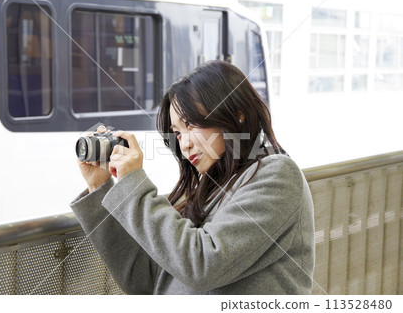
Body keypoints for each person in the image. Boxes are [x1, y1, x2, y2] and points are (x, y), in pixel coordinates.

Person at [70, 60, 315, 294]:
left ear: (237, 113)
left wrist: (134, 185)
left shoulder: (277, 175)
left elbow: (203, 266)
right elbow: (143, 278)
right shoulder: (211, 188)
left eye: (190, 124)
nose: (184, 144)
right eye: (177, 133)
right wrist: (100, 186)